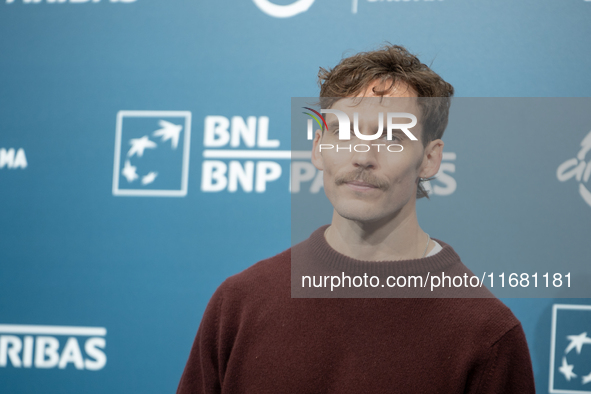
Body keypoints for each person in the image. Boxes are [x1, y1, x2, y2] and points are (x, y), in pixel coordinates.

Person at [177, 45, 536, 393]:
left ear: (429, 159)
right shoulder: (239, 304)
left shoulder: (486, 333)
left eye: (392, 137)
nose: (363, 155)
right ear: (318, 146)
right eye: (344, 132)